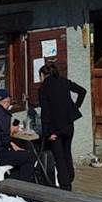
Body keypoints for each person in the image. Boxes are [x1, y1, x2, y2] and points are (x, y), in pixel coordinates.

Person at [37, 62, 86, 190]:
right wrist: (75, 107)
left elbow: (45, 112)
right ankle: (70, 176)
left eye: (40, 76)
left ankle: (65, 186)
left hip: (55, 128)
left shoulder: (44, 88)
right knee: (67, 152)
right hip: (69, 124)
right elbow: (82, 91)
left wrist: (47, 133)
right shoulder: (64, 81)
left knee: (59, 159)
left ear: (44, 75)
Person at [0, 88, 36, 183]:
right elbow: (5, 139)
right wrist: (12, 131)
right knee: (29, 157)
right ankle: (21, 187)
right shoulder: (4, 115)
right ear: (7, 100)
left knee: (20, 156)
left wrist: (13, 146)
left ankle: (12, 182)